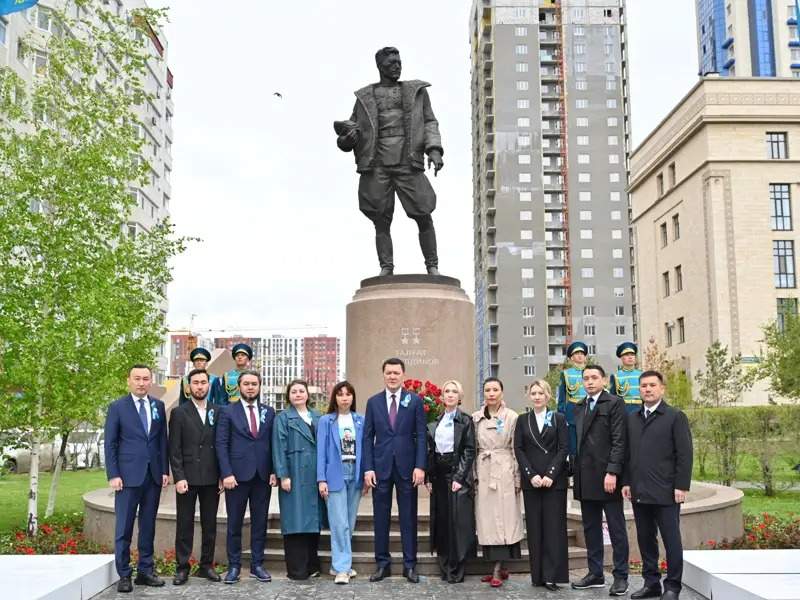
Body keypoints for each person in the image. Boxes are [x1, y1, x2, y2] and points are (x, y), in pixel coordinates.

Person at [335, 46, 444, 276]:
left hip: (408, 161)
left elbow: (429, 122)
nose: (396, 66)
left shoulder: (416, 92)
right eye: (391, 63)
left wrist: (434, 149)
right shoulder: (365, 97)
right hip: (377, 165)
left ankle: (432, 265)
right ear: (380, 66)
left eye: (399, 61)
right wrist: (347, 138)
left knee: (424, 213)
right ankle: (386, 267)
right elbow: (350, 135)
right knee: (380, 220)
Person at [623, 371, 693, 600]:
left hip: (666, 492)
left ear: (662, 388)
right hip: (640, 491)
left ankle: (672, 587)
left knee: (671, 540)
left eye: (652, 385)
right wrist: (626, 481)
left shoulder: (675, 416)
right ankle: (651, 583)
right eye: (643, 386)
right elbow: (627, 453)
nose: (647, 389)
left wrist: (681, 486)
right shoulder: (632, 418)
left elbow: (684, 454)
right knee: (645, 539)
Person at [103, 364, 169, 593]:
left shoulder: (158, 406)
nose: (141, 383)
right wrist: (113, 474)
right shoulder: (117, 407)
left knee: (148, 526)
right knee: (124, 528)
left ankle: (145, 571)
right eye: (137, 379)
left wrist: (164, 470)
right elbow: (110, 443)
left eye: (145, 379)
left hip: (152, 477)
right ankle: (124, 574)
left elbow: (162, 441)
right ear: (129, 381)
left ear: (151, 381)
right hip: (127, 477)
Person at [363, 357, 427, 583]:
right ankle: (382, 564)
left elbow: (421, 436)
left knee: (408, 517)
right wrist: (368, 468)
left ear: (403, 375)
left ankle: (410, 565)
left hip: (407, 469)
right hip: (380, 469)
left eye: (396, 373)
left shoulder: (415, 401)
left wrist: (420, 466)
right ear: (383, 375)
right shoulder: (373, 402)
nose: (392, 376)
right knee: (380, 518)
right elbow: (367, 437)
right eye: (388, 373)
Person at [572, 365, 629, 596]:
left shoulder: (614, 403)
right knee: (591, 528)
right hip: (585, 477)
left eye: (594, 377)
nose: (589, 382)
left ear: (603, 380)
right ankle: (595, 573)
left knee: (616, 528)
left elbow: (619, 440)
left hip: (607, 477)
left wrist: (613, 471)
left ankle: (621, 576)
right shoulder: (579, 407)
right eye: (585, 378)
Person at [215, 370, 277, 585]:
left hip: (262, 476)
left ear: (260, 387)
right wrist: (226, 473)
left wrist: (274, 470)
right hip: (236, 477)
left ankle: (257, 565)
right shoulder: (227, 411)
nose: (250, 387)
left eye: (254, 384)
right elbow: (221, 444)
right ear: (239, 387)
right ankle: (234, 566)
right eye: (246, 384)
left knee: (260, 522)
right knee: (235, 523)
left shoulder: (269, 412)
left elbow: (273, 444)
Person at [513, 379, 569, 591]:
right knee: (535, 529)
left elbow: (563, 449)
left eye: (541, 393)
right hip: (532, 482)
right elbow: (519, 449)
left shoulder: (558, 418)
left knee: (554, 529)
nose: (537, 396)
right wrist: (531, 475)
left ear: (548, 396)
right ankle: (537, 576)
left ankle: (553, 576)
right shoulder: (522, 420)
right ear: (529, 396)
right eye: (533, 393)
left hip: (554, 482)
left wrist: (551, 474)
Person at [168, 368, 222, 585]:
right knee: (184, 524)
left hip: (211, 478)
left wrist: (222, 475)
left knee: (210, 525)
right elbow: (174, 449)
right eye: (196, 382)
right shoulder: (179, 413)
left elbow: (221, 446)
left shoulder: (218, 411)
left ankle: (206, 566)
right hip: (187, 479)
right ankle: (182, 567)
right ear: (188, 386)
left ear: (209, 385)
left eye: (203, 382)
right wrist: (179, 476)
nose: (200, 386)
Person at [473, 377, 523, 588]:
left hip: (504, 469)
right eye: (487, 390)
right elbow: (474, 448)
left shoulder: (512, 417)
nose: (491, 393)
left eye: (495, 389)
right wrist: (474, 474)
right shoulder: (476, 418)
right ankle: (495, 566)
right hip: (484, 470)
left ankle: (498, 568)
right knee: (487, 521)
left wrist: (517, 476)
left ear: (502, 392)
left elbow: (516, 448)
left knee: (504, 519)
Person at [425, 379, 476, 583]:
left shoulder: (466, 420)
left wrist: (459, 477)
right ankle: (444, 565)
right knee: (442, 521)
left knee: (457, 523)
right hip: (438, 474)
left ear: (459, 396)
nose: (450, 394)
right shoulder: (436, 421)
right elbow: (430, 451)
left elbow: (469, 450)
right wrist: (428, 476)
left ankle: (457, 567)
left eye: (454, 391)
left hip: (456, 475)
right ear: (442, 396)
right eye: (447, 391)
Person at [272, 379, 323, 580]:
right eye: (294, 391)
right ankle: (297, 569)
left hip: (314, 475)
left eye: (302, 391)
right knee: (295, 521)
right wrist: (283, 474)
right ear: (289, 396)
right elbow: (278, 447)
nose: (298, 394)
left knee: (313, 520)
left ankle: (312, 565)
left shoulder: (318, 417)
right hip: (295, 474)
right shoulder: (283, 418)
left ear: (308, 394)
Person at [317, 381, 365, 585]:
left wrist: (366, 477)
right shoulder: (326, 421)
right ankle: (342, 568)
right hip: (334, 473)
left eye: (348, 394)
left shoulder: (361, 420)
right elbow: (321, 452)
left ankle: (340, 563)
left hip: (355, 473)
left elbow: (367, 450)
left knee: (350, 522)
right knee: (339, 523)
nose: (344, 397)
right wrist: (321, 479)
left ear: (353, 398)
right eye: (340, 394)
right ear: (334, 398)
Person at [557, 340, 588, 456]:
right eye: (576, 353)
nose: (580, 355)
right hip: (573, 411)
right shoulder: (566, 373)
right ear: (571, 357)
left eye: (582, 353)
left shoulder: (591, 372)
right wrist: (562, 416)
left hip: (589, 408)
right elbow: (561, 397)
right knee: (573, 445)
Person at [609, 342, 644, 415]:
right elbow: (613, 397)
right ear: (621, 358)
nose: (630, 357)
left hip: (640, 409)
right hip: (623, 410)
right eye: (627, 355)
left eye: (632, 355)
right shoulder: (616, 376)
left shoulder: (642, 375)